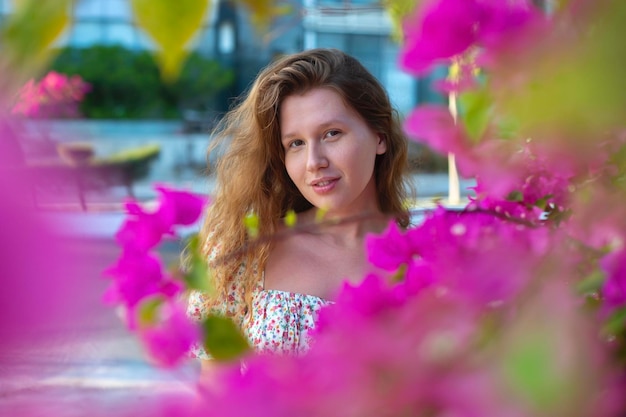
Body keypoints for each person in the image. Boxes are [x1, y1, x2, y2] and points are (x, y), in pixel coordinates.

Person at [186, 48, 413, 374]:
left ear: (380, 136)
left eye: (332, 134)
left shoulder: (426, 261)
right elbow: (215, 397)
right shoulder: (245, 251)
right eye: (296, 143)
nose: (314, 162)